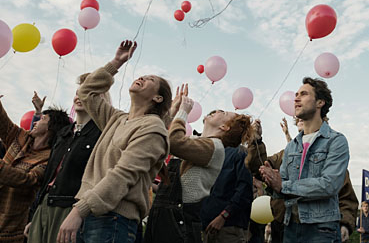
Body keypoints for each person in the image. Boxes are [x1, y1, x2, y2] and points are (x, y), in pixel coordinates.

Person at [57, 40, 171, 243]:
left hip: (114, 219)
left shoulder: (153, 128)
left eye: (151, 79)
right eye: (143, 75)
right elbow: (86, 92)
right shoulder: (116, 118)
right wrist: (116, 62)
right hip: (90, 214)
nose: (142, 77)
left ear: (158, 98)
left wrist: (79, 210)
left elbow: (123, 174)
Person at [144, 85, 253, 243]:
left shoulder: (214, 148)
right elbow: (158, 138)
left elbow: (172, 141)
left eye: (223, 113)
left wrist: (183, 112)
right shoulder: (194, 142)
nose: (216, 111)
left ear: (224, 127)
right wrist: (173, 109)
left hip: (179, 221)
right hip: (161, 215)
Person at [260, 77, 350, 243]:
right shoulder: (291, 147)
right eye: (295, 94)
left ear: (320, 102)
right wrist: (271, 181)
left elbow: (329, 185)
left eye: (303, 94)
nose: (296, 98)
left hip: (321, 229)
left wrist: (282, 185)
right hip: (290, 227)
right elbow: (283, 188)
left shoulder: (336, 141)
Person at [26, 74, 109, 243]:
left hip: (70, 210)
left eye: (88, 92)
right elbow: (37, 140)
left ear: (100, 98)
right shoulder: (63, 133)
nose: (80, 97)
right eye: (78, 92)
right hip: (44, 206)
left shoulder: (102, 134)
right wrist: (35, 215)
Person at [0, 93, 71, 243]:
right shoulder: (20, 137)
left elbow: (28, 180)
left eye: (43, 119)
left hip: (9, 230)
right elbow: (3, 123)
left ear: (50, 128)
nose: (36, 121)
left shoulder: (50, 158)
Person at [200, 115, 254, 243]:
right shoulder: (214, 151)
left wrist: (223, 216)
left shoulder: (240, 153)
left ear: (227, 128)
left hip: (228, 228)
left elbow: (244, 191)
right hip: (205, 226)